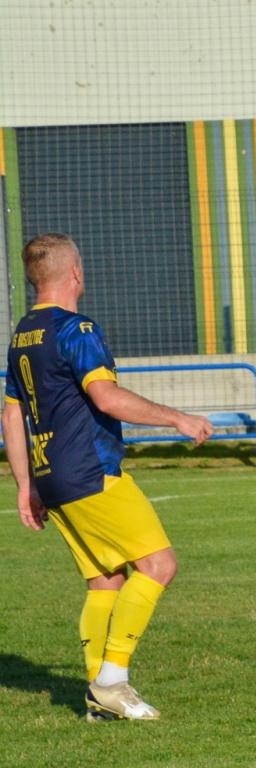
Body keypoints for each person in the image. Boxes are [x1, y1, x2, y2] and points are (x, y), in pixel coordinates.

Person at [3, 233, 214, 721]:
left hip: (51, 476)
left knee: (105, 582)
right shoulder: (76, 329)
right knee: (159, 566)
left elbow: (11, 416)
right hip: (91, 472)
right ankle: (112, 682)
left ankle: (99, 700)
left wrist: (25, 485)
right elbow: (107, 397)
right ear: (74, 272)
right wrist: (178, 418)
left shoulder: (23, 334)